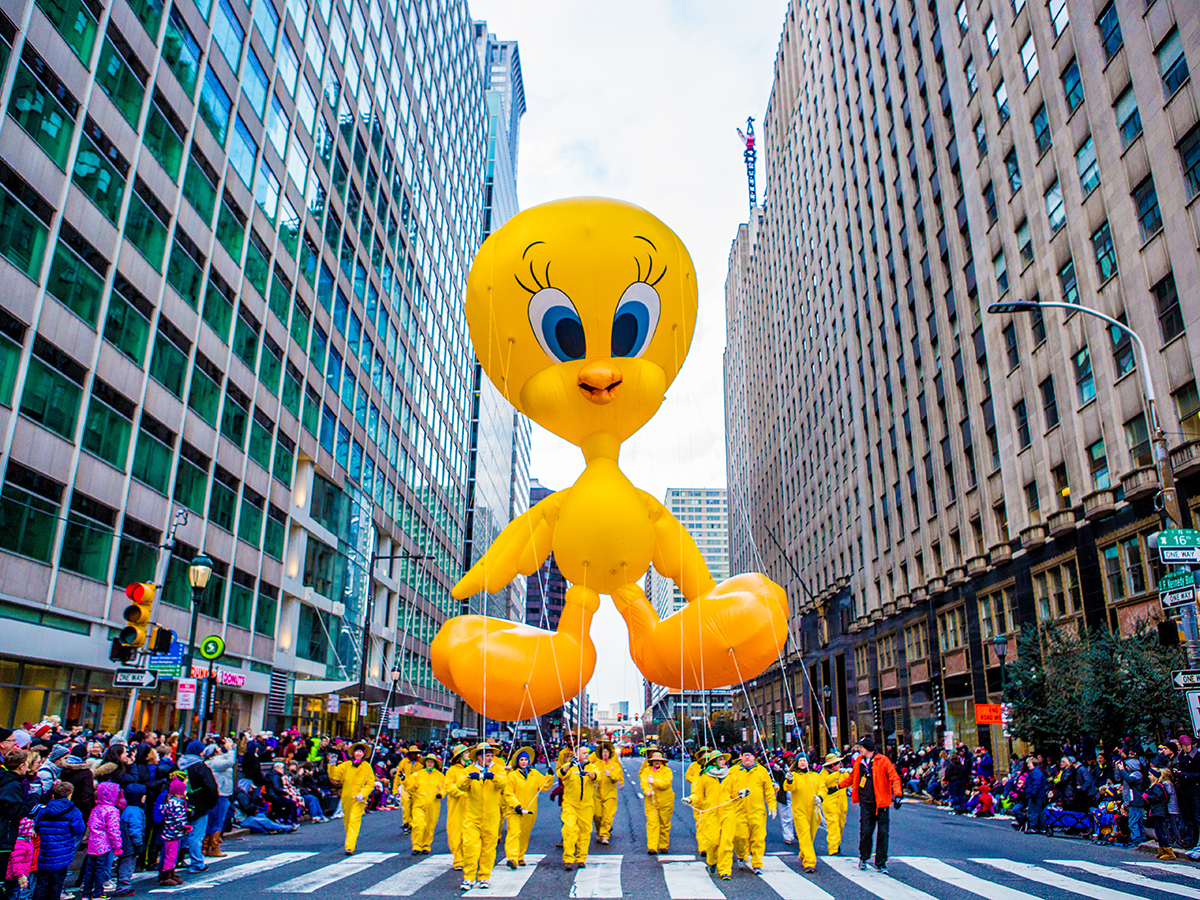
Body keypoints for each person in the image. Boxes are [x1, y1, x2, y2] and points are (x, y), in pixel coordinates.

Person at [840, 736, 901, 874]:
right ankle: (864, 857)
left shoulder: (883, 761)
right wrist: (838, 786)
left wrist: (897, 795)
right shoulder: (859, 762)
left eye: (860, 747)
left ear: (867, 748)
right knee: (866, 831)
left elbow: (894, 777)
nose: (858, 749)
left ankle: (881, 862)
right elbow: (851, 778)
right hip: (866, 802)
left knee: (883, 833)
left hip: (881, 803)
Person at [455, 744, 507, 891]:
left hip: (491, 816)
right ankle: (469, 878)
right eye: (486, 755)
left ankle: (484, 876)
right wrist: (469, 778)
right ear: (479, 756)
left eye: (491, 755)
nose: (489, 758)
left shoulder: (498, 769)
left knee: (489, 848)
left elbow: (503, 783)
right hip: (472, 816)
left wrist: (494, 777)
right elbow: (460, 785)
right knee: (470, 847)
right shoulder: (469, 770)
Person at [726, 747, 777, 875]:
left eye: (749, 755)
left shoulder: (761, 771)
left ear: (754, 757)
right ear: (741, 757)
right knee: (739, 836)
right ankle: (741, 855)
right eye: (745, 755)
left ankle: (757, 863)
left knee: (758, 838)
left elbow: (769, 790)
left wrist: (772, 806)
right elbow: (726, 789)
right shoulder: (733, 771)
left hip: (757, 811)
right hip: (739, 810)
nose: (747, 757)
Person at [33, 782, 84, 900]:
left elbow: (37, 829)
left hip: (45, 854)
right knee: (56, 885)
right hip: (62, 855)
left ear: (53, 796)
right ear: (69, 795)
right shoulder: (74, 812)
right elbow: (78, 830)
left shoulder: (43, 811)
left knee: (41, 884)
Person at [503, 747, 550, 869]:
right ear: (518, 761)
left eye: (526, 760)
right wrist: (516, 805)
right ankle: (512, 858)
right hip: (515, 810)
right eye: (521, 759)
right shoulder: (512, 775)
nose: (524, 762)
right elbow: (508, 793)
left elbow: (544, 786)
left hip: (530, 811)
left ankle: (520, 856)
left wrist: (550, 776)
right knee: (514, 833)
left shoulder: (534, 774)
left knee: (524, 833)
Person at [691, 751, 734, 880]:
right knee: (712, 841)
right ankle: (712, 860)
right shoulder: (703, 777)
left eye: (723, 759)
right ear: (713, 762)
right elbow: (698, 793)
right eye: (720, 759)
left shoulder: (730, 776)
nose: (723, 761)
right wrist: (691, 799)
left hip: (728, 811)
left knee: (726, 841)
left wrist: (742, 792)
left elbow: (735, 791)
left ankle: (725, 870)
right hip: (710, 812)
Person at [327, 743, 375, 856]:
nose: (358, 754)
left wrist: (363, 794)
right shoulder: (346, 765)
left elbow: (370, 783)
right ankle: (351, 841)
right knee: (348, 821)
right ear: (353, 753)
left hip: (359, 800)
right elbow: (335, 776)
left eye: (360, 752)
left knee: (354, 820)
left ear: (363, 754)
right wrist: (332, 765)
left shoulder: (367, 767)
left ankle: (350, 846)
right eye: (357, 751)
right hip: (346, 798)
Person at [558, 745, 598, 872]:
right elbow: (560, 773)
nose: (587, 755)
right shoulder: (570, 766)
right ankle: (569, 859)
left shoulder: (592, 766)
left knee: (585, 831)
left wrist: (587, 773)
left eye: (587, 753)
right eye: (584, 753)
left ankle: (581, 858)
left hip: (586, 804)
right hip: (570, 803)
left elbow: (597, 776)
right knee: (569, 829)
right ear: (577, 755)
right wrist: (570, 765)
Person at [82, 782, 123, 900]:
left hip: (92, 843)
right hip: (104, 844)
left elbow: (90, 824)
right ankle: (98, 893)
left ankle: (86, 892)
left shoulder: (96, 808)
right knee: (101, 868)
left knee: (90, 868)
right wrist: (117, 846)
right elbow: (113, 829)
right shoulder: (112, 810)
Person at [786, 754, 823, 873]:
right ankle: (809, 862)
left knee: (811, 834)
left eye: (804, 760)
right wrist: (789, 780)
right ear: (796, 763)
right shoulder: (795, 776)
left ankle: (803, 853)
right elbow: (789, 788)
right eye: (800, 761)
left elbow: (822, 788)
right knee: (804, 834)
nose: (802, 763)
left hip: (814, 810)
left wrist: (820, 797)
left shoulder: (815, 776)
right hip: (799, 810)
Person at [407, 753, 444, 855]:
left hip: (433, 804)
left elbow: (444, 787)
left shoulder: (440, 776)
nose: (429, 764)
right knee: (418, 824)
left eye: (431, 762)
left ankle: (426, 846)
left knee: (430, 826)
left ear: (435, 764)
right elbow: (409, 786)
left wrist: (441, 794)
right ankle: (416, 846)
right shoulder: (418, 774)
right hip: (419, 803)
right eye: (428, 762)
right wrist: (404, 780)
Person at [205, 738, 236, 857]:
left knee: (212, 821)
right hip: (221, 793)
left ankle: (207, 846)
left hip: (221, 793)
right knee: (217, 821)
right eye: (217, 748)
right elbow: (230, 762)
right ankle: (214, 847)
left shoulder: (216, 761)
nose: (221, 748)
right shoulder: (215, 762)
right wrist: (231, 749)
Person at [114, 784, 145, 897]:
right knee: (128, 865)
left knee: (123, 863)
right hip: (130, 844)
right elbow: (135, 829)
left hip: (125, 842)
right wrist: (138, 844)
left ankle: (121, 885)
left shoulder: (127, 809)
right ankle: (123, 887)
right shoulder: (135, 811)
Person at [639, 751, 674, 855]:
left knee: (664, 824)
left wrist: (654, 782)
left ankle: (663, 845)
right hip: (651, 801)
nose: (657, 762)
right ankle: (652, 847)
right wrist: (647, 791)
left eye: (659, 760)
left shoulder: (667, 771)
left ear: (662, 761)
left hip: (666, 801)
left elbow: (666, 784)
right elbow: (643, 782)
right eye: (655, 761)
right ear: (652, 761)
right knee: (652, 823)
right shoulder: (646, 770)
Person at [443, 745, 470, 871]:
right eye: (466, 753)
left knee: (470, 833)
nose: (468, 754)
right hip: (457, 806)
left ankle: (469, 858)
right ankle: (458, 859)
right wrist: (461, 793)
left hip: (471, 806)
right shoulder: (452, 771)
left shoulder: (472, 769)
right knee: (456, 832)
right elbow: (449, 786)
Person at [592, 742, 623, 845]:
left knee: (607, 816)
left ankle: (605, 835)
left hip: (610, 794)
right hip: (597, 794)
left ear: (610, 753)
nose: (605, 754)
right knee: (597, 815)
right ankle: (598, 830)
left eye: (607, 752)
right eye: (603, 752)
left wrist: (611, 775)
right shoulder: (596, 765)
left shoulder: (614, 765)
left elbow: (616, 777)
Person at [159, 779, 188, 887]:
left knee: (171, 854)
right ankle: (166, 876)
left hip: (169, 831)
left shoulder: (170, 801)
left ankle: (171, 873)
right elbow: (178, 819)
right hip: (173, 833)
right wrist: (184, 827)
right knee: (171, 855)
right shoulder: (177, 803)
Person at [819, 753, 848, 855]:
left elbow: (850, 781)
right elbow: (822, 785)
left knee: (840, 824)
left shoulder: (841, 773)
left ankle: (836, 842)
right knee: (833, 824)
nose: (840, 765)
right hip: (829, 803)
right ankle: (833, 848)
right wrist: (837, 775)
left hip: (842, 804)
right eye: (838, 763)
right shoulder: (823, 775)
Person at [1146, 769, 1176, 860]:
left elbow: (1157, 797)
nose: (1149, 777)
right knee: (1158, 830)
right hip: (1158, 810)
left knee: (1159, 830)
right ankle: (1162, 850)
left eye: (1150, 775)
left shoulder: (1157, 786)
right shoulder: (1156, 786)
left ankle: (1168, 851)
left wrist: (1147, 796)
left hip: (1159, 811)